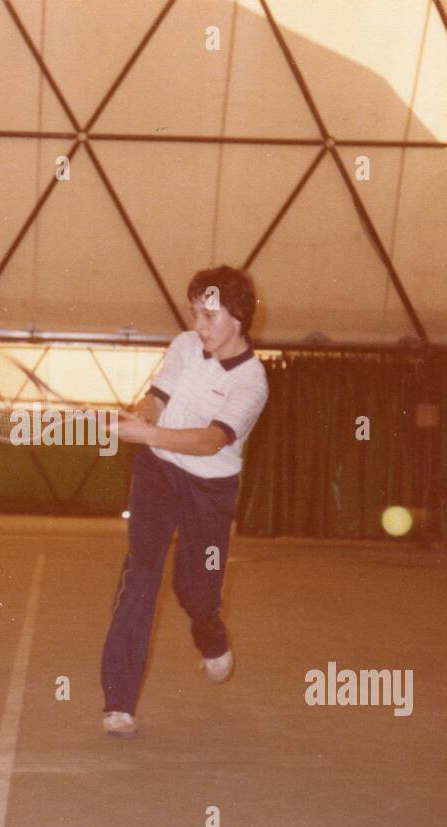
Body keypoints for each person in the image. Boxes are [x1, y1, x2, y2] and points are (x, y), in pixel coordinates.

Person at [104, 265, 270, 737]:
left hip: (209, 489)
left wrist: (144, 432)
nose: (198, 324)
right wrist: (139, 419)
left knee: (195, 592)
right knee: (140, 573)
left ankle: (211, 636)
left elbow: (209, 441)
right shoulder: (183, 346)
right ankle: (118, 703)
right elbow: (156, 398)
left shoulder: (252, 383)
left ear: (238, 317)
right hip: (157, 474)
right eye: (195, 312)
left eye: (208, 315)